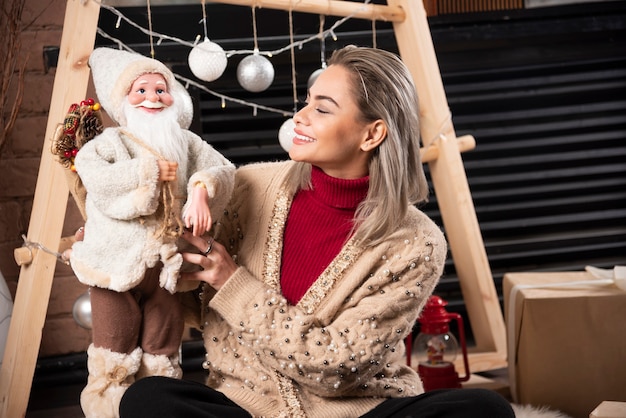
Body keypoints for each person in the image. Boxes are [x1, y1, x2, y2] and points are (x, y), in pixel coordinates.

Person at [119, 45, 515, 417]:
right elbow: (189, 294)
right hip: (248, 407)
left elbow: (339, 367)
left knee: (484, 410)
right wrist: (125, 242)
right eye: (306, 102)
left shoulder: (415, 241)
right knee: (148, 399)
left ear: (372, 134)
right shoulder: (249, 187)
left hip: (361, 409)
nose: (300, 118)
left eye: (322, 110)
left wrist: (233, 283)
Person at [69, 47, 235, 418]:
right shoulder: (111, 143)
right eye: (141, 91)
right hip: (116, 268)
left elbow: (222, 168)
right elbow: (93, 174)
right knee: (116, 345)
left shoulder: (186, 143)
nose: (152, 98)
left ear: (174, 98)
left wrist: (200, 190)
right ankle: (107, 406)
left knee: (162, 348)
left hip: (166, 270)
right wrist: (147, 173)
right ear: (124, 101)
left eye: (161, 90)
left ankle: (159, 406)